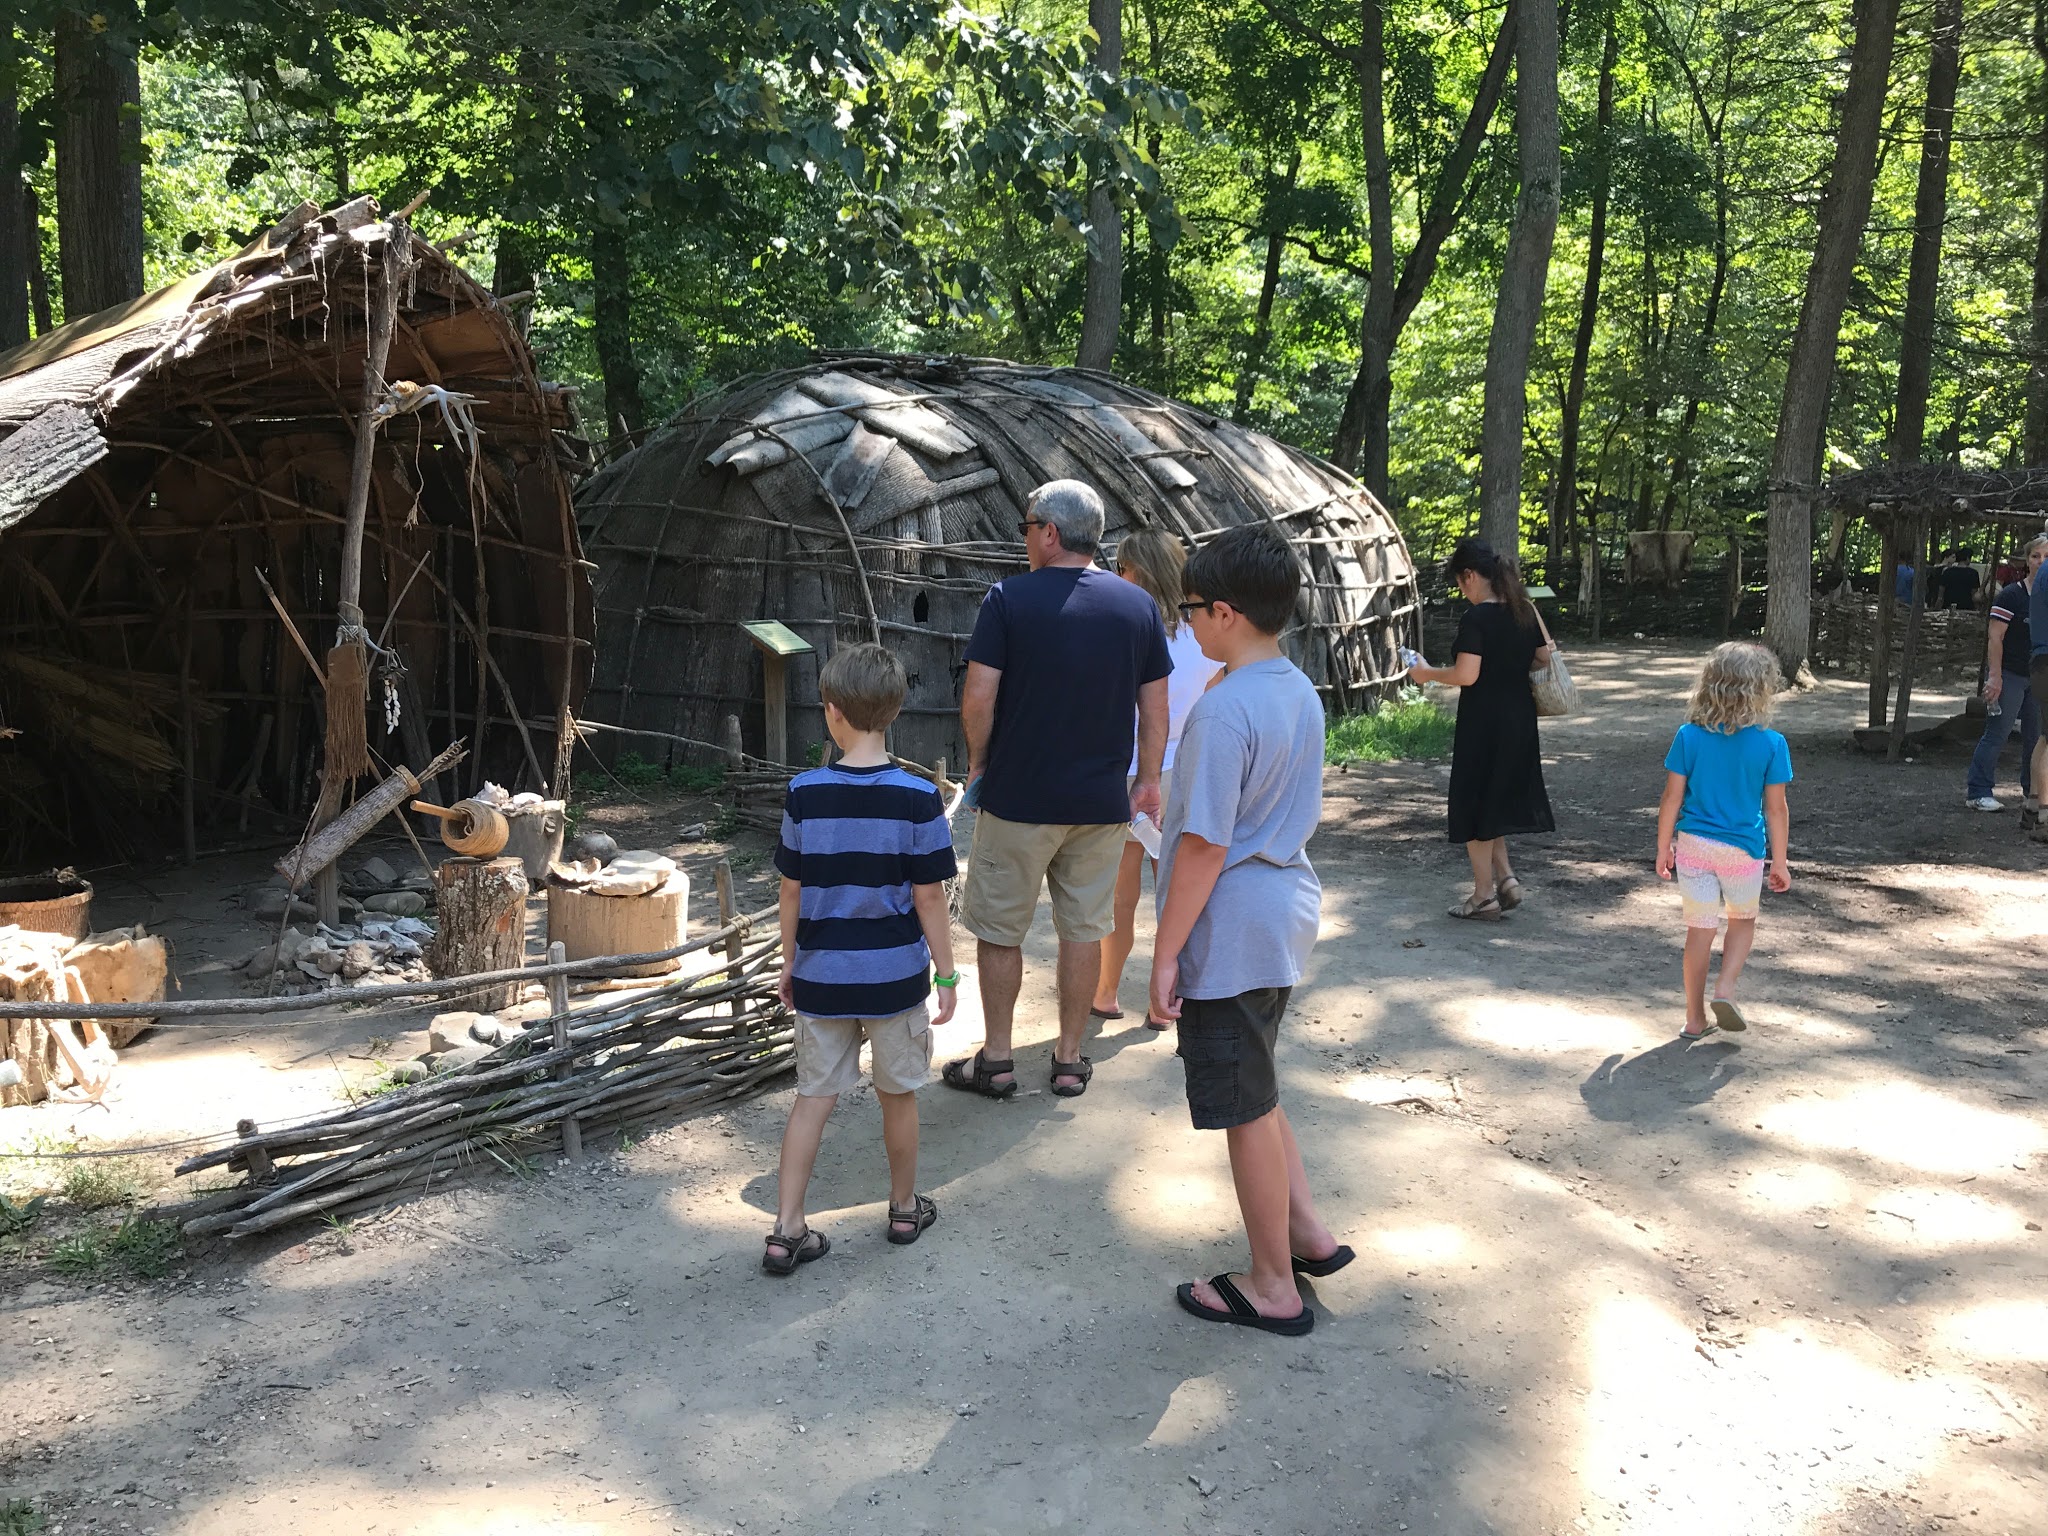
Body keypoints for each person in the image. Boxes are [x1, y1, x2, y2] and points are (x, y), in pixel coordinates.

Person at [1149, 523, 1346, 1336]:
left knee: (1243, 1108)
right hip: (1280, 915)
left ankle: (1272, 1286)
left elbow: (1203, 845)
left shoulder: (1223, 712)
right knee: (1259, 1088)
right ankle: (1306, 1234)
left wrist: (1164, 955)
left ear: (1225, 613)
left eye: (1191, 608)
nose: (1186, 622)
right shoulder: (1293, 688)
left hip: (1230, 931)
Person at [946, 481, 1171, 1101]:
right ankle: (1069, 1059)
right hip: (1100, 805)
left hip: (1017, 799)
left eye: (1026, 527)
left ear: (1048, 532)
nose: (1025, 539)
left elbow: (978, 697)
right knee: (1084, 929)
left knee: (999, 931)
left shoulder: (1007, 599)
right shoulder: (1137, 607)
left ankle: (996, 1060)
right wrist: (1148, 781)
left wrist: (979, 763)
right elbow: (1155, 709)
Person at [765, 643, 958, 1274]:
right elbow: (929, 897)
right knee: (898, 1096)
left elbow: (790, 891)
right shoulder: (919, 798)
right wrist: (947, 973)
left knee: (812, 1097)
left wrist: (790, 962)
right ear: (895, 712)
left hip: (822, 974)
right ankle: (903, 1209)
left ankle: (786, 1229)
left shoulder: (804, 793)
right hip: (894, 979)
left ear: (831, 711)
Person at [1091, 529, 1224, 1030]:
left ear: (1138, 573)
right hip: (1180, 774)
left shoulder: (1119, 632)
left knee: (1118, 899)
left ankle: (1106, 992)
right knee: (1174, 894)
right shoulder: (1203, 638)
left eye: (1122, 568)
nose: (1117, 576)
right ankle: (1164, 1002)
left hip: (1126, 774)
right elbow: (1213, 693)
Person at [1406, 537, 1557, 920]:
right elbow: (1544, 657)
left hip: (1484, 723)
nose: (1463, 591)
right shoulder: (1523, 609)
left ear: (1470, 575)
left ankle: (1483, 896)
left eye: (1460, 583)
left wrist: (1427, 673)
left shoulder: (1477, 619)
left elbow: (1466, 675)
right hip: (1520, 719)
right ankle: (1506, 879)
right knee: (1494, 801)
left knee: (1474, 805)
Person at [1654, 642, 1793, 1041]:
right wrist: (1779, 862)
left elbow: (1671, 798)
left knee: (1699, 930)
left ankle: (1694, 1019)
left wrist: (1663, 847)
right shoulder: (1772, 744)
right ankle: (1726, 989)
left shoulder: (1688, 736)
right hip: (1743, 851)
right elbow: (1776, 810)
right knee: (1742, 921)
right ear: (1762, 689)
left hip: (1694, 846)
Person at [1964, 534, 2043, 812]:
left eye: (2047, 557)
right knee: (1998, 733)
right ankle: (1978, 792)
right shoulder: (2011, 595)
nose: (2041, 562)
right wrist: (1995, 677)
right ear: (2027, 561)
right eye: (2036, 556)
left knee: (2037, 738)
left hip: (2040, 678)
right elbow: (1995, 637)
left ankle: (2033, 794)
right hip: (2010, 675)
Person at [2029, 537, 2048, 834]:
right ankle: (2045, 817)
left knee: (2045, 737)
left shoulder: (2043, 572)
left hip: (2041, 661)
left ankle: (2032, 806)